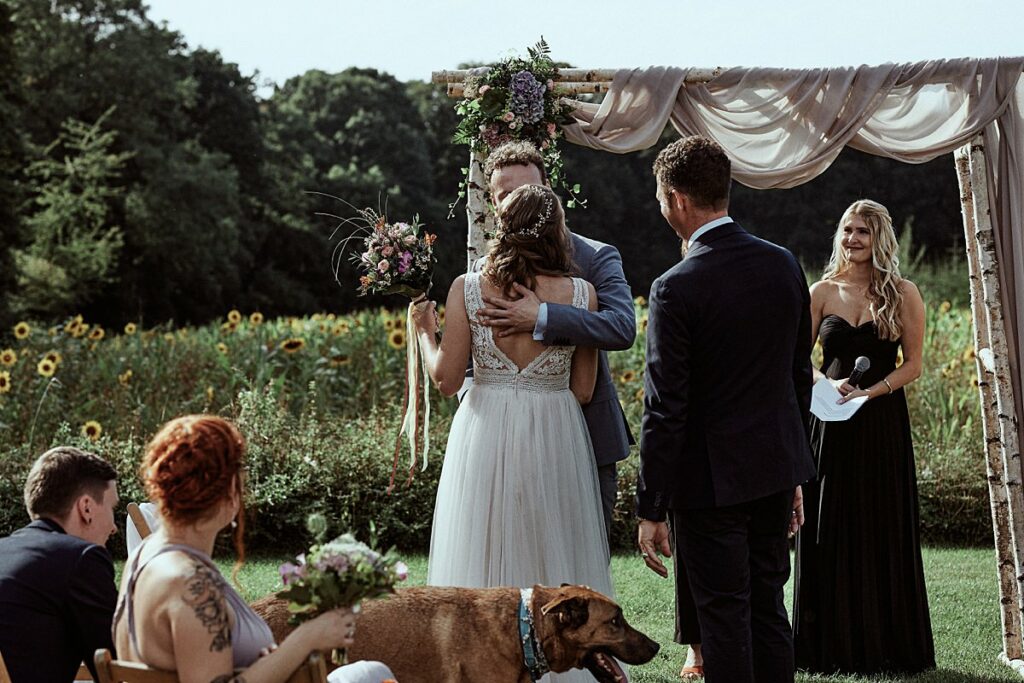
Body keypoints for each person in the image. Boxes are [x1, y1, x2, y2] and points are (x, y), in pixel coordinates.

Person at [414, 184, 617, 683]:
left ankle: (480, 664)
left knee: (484, 544)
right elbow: (585, 389)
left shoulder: (467, 287)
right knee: (550, 539)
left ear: (501, 227)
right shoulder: (581, 295)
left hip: (486, 428)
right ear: (557, 230)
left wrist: (424, 331)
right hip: (556, 427)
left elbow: (445, 379)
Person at [636, 135, 816, 683]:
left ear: (678, 201)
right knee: (768, 605)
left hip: (709, 484)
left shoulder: (674, 288)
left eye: (661, 197)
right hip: (773, 470)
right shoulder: (784, 265)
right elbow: (798, 377)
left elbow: (665, 409)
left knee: (723, 617)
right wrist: (793, 474)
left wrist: (651, 507)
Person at [112, 414, 394, 683]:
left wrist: (271, 664)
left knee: (369, 672)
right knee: (373, 675)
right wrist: (305, 637)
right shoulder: (191, 584)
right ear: (228, 492)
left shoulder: (144, 555)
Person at [794, 199, 934, 675]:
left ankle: (887, 646)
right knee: (825, 523)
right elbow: (797, 358)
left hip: (880, 424)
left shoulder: (904, 292)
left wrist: (870, 394)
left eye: (863, 233)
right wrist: (824, 384)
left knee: (880, 523)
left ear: (880, 240)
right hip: (828, 422)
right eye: (847, 230)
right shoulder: (821, 292)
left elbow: (913, 364)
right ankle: (824, 646)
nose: (852, 239)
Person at [472, 141, 636, 543]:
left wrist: (542, 316)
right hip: (505, 438)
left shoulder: (596, 256)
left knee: (582, 555)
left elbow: (621, 327)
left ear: (550, 190)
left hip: (586, 431)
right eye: (505, 194)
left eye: (528, 189)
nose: (518, 200)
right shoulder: (482, 271)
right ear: (494, 206)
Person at [0, 446, 119, 683]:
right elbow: (118, 669)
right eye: (112, 508)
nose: (114, 526)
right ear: (86, 507)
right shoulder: (81, 559)